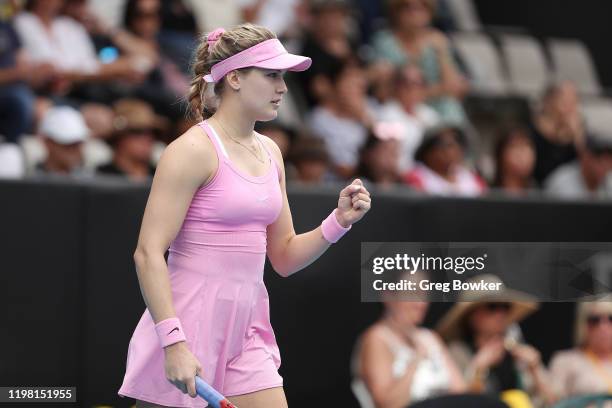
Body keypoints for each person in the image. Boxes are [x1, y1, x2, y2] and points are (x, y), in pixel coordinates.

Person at [117, 23, 372, 408]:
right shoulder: (191, 151)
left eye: (283, 77)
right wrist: (173, 343)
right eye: (271, 75)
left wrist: (337, 222)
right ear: (234, 77)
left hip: (249, 331)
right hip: (186, 329)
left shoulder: (271, 152)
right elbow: (148, 253)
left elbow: (284, 256)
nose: (283, 88)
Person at [436, 274, 555, 408]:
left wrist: (535, 369)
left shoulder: (517, 352)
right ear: (472, 315)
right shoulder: (457, 352)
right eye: (492, 306)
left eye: (505, 307)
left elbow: (553, 402)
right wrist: (479, 368)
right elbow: (457, 402)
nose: (501, 314)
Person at [352, 270, 465, 407]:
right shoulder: (377, 338)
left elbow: (461, 394)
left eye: (424, 294)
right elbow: (388, 405)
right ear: (388, 295)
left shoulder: (429, 338)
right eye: (412, 293)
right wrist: (416, 359)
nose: (421, 304)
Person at [370, 0, 469, 126]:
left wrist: (442, 52)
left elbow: (453, 88)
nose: (414, 13)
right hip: (399, 107)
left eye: (422, 7)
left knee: (451, 110)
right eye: (407, 7)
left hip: (436, 106)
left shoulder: (438, 40)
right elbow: (382, 92)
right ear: (396, 11)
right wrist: (428, 92)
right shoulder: (384, 41)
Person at [377, 64, 440, 173]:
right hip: (401, 178)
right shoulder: (386, 115)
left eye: (417, 84)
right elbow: (387, 157)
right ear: (396, 87)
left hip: (428, 177)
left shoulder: (431, 115)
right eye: (406, 84)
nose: (412, 89)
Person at [549, 301, 612, 404]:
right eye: (595, 320)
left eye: (611, 319)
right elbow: (553, 402)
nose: (604, 327)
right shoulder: (566, 360)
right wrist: (535, 369)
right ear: (582, 324)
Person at [403, 125, 486, 196]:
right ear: (427, 152)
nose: (455, 149)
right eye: (447, 145)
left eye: (457, 142)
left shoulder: (473, 179)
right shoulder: (416, 178)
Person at [529, 81, 585, 185]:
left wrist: (577, 137)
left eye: (574, 102)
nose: (570, 109)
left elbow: (585, 166)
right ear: (549, 102)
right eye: (565, 102)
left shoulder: (579, 132)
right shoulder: (531, 132)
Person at [96, 98, 165, 181]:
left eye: (153, 132)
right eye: (137, 131)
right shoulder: (100, 177)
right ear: (118, 138)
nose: (148, 138)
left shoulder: (162, 176)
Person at [544, 132, 612, 199]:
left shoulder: (608, 183)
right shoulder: (562, 183)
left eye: (609, 159)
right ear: (584, 156)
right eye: (599, 156)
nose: (605, 164)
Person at [30, 105, 92, 178]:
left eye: (79, 143)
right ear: (47, 142)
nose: (76, 149)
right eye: (68, 144)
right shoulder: (33, 180)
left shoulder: (91, 178)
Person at [492, 127, 537, 195]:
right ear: (501, 154)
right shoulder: (486, 192)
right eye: (515, 146)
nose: (522, 155)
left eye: (527, 146)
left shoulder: (540, 194)